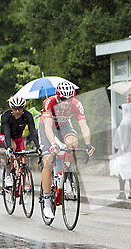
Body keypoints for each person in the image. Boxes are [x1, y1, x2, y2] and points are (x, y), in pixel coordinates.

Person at [39, 80, 95, 219]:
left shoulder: (76, 104)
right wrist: (53, 143)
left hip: (63, 127)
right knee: (48, 160)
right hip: (48, 127)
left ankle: (68, 174)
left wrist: (88, 144)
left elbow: (83, 126)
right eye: (63, 99)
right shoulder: (49, 103)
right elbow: (47, 127)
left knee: (72, 142)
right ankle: (46, 202)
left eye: (69, 99)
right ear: (58, 97)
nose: (66, 103)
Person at [0, 96, 40, 187]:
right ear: (11, 108)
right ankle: (8, 175)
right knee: (12, 148)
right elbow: (6, 133)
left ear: (24, 107)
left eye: (20, 109)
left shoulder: (28, 115)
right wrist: (9, 148)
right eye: (15, 109)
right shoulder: (6, 116)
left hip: (18, 138)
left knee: (23, 160)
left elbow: (33, 132)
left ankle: (22, 187)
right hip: (4, 136)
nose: (17, 112)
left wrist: (38, 147)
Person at [113, 103, 131, 199]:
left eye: (124, 110)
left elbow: (119, 135)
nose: (122, 112)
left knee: (122, 170)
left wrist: (116, 146)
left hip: (124, 151)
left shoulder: (124, 122)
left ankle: (122, 192)